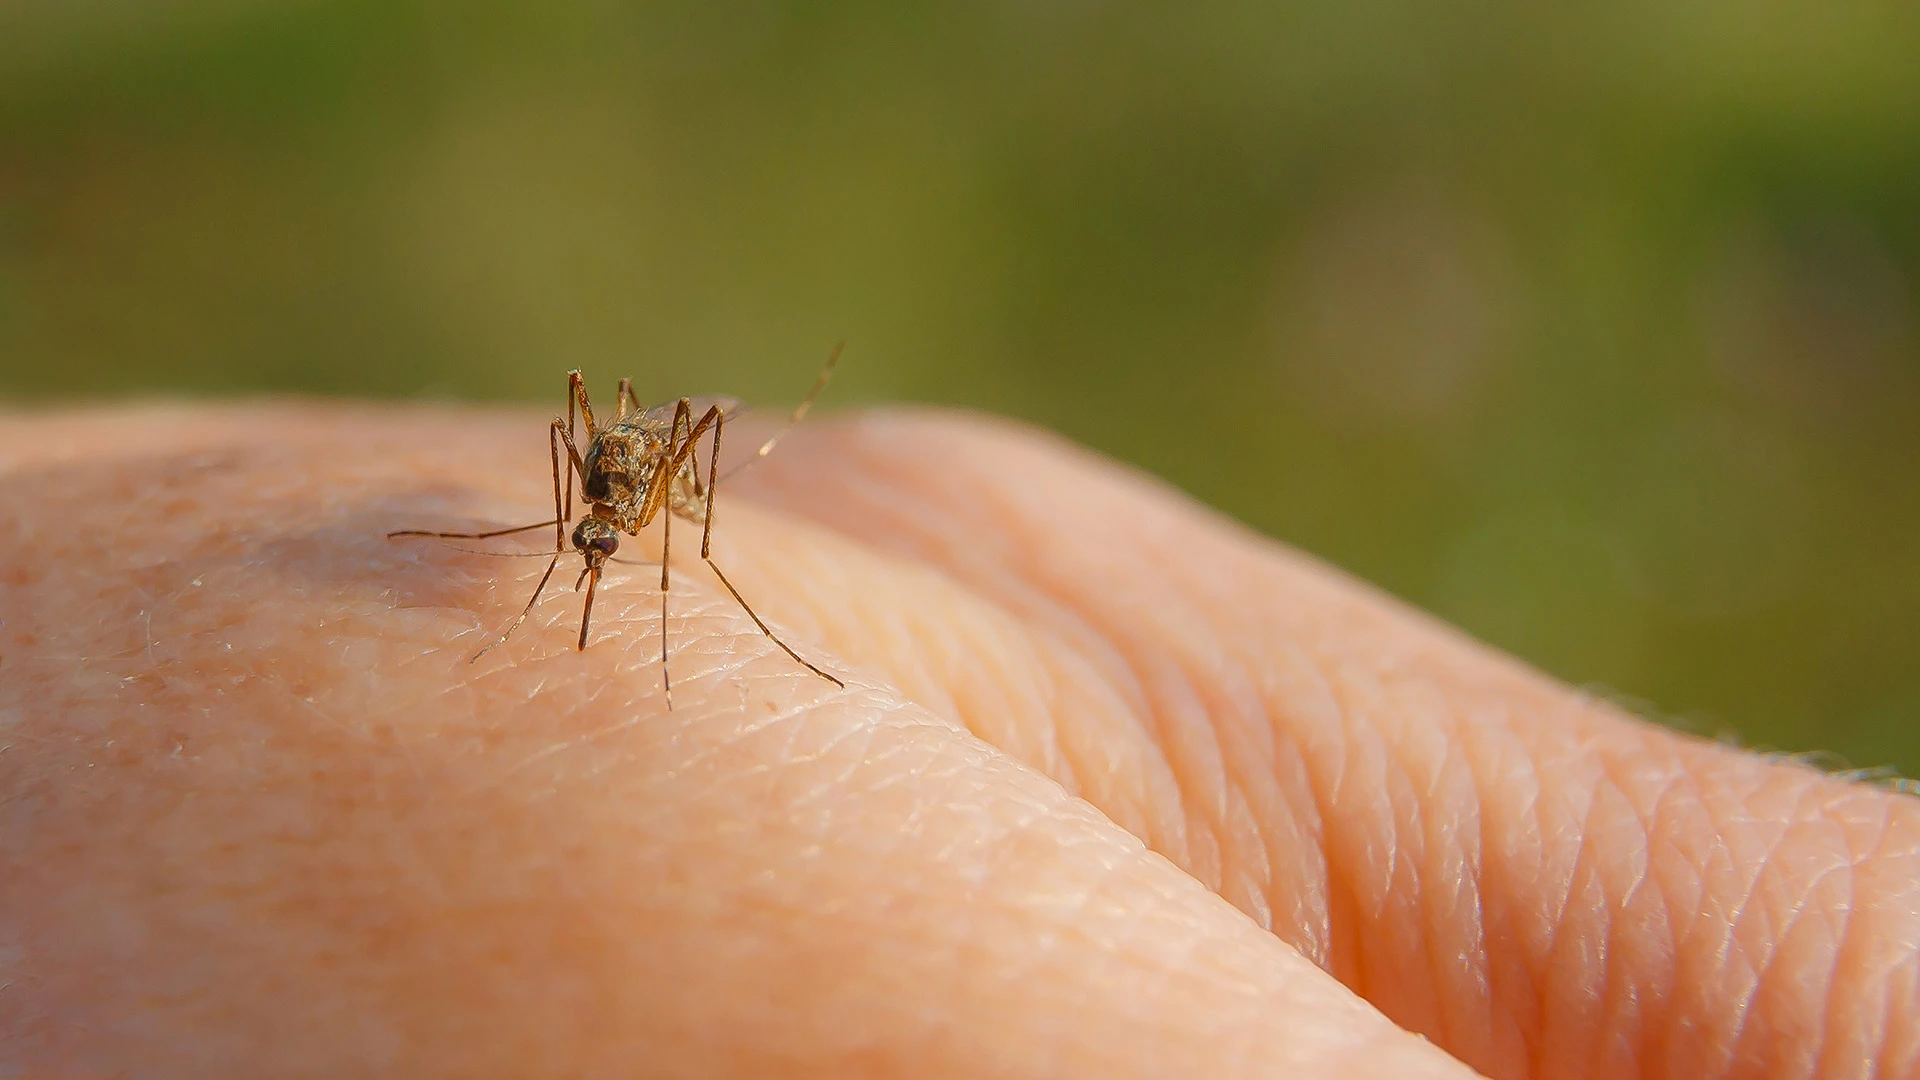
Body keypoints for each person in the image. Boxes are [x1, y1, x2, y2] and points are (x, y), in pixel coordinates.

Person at [3, 402, 1913, 1078]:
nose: (595, 550)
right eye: (594, 529)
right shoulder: (586, 504)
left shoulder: (659, 485)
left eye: (600, 526)